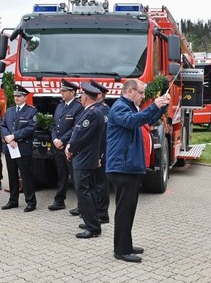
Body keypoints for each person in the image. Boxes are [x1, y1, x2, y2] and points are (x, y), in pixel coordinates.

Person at [107, 79, 170, 263]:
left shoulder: (130, 107)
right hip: (122, 167)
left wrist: (160, 107)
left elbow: (146, 119)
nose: (143, 96)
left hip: (129, 167)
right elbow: (131, 121)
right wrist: (153, 106)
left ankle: (126, 244)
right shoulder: (120, 107)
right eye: (141, 93)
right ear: (130, 91)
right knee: (124, 210)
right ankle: (121, 250)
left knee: (129, 209)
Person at [66, 82, 106, 238]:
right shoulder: (90, 111)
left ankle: (93, 227)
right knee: (87, 190)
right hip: (86, 157)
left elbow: (81, 137)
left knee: (84, 191)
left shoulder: (91, 113)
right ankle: (92, 221)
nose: (80, 98)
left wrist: (70, 148)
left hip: (84, 158)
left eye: (81, 96)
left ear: (85, 97)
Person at [0, 84, 38, 212]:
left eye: (19, 96)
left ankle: (31, 202)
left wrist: (14, 136)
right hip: (10, 148)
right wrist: (7, 138)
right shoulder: (10, 110)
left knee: (26, 176)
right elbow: (3, 125)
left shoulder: (31, 111)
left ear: (25, 97)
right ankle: (13, 200)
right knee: (12, 175)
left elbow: (30, 128)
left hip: (22, 147)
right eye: (15, 96)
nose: (17, 98)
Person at [48, 79, 83, 211]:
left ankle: (82, 204)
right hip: (58, 147)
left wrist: (62, 141)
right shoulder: (59, 106)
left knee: (75, 177)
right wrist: (55, 140)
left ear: (72, 92)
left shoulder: (78, 107)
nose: (61, 93)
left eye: (64, 91)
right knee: (61, 175)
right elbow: (53, 126)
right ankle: (59, 201)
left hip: (70, 147)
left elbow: (76, 128)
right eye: (61, 91)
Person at [89, 79, 111, 224]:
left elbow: (104, 136)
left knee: (100, 185)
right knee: (94, 184)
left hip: (100, 154)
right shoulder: (96, 109)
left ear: (99, 95)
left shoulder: (103, 110)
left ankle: (102, 214)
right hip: (94, 154)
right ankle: (95, 212)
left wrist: (100, 155)